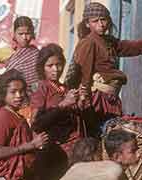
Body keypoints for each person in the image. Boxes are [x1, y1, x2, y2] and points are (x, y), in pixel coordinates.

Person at [70, 2, 142, 136]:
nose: (101, 24)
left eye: (103, 20)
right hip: (97, 101)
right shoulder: (88, 43)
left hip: (110, 99)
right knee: (105, 135)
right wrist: (83, 100)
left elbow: (129, 47)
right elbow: (84, 74)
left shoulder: (108, 41)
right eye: (95, 21)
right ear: (87, 24)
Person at [30, 43, 84, 180]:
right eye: (50, 66)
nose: (56, 69)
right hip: (54, 151)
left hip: (72, 148)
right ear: (42, 67)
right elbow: (36, 123)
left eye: (59, 64)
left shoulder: (63, 88)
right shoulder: (41, 89)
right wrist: (64, 104)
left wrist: (81, 101)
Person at [0, 69, 48, 180]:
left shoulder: (17, 115)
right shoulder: (3, 116)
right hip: (6, 175)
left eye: (21, 91)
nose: (19, 95)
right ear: (3, 94)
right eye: (13, 92)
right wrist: (31, 145)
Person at [60, 137, 125, 180]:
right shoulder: (111, 169)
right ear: (94, 154)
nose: (103, 155)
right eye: (101, 151)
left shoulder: (71, 171)